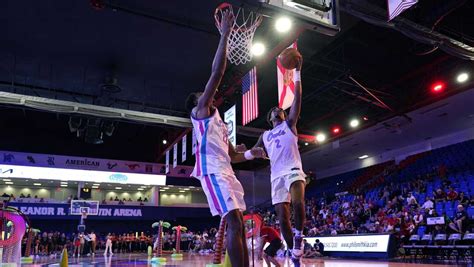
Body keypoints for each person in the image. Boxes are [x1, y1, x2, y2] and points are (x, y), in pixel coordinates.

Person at [184, 10, 265, 267]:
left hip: (226, 170)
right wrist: (226, 34)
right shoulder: (200, 113)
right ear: (197, 103)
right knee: (233, 221)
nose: (206, 94)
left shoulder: (218, 121)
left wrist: (252, 153)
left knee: (239, 223)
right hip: (213, 172)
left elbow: (232, 155)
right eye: (203, 93)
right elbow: (217, 74)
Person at [251, 52, 305, 265]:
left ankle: (299, 236)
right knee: (283, 219)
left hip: (293, 169)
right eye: (275, 110)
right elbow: (253, 151)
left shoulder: (289, 124)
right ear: (269, 118)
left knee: (299, 203)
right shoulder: (264, 135)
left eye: (280, 109)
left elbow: (298, 99)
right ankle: (294, 252)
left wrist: (298, 72)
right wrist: (251, 151)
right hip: (276, 176)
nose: (278, 109)